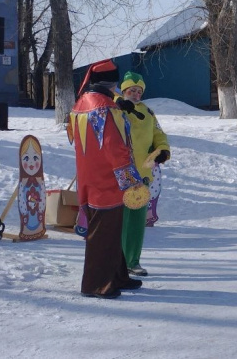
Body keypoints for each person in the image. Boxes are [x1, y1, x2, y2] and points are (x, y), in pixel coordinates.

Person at [68, 60, 149, 299]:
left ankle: (117, 276)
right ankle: (97, 284)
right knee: (103, 234)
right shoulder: (105, 108)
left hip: (90, 176)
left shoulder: (83, 103)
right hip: (108, 180)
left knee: (111, 231)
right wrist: (131, 180)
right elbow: (115, 148)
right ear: (112, 83)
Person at [119, 71, 170, 276]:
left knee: (137, 221)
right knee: (121, 221)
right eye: (132, 90)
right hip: (121, 174)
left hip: (142, 175)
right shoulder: (116, 108)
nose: (135, 94)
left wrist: (163, 149)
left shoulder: (148, 113)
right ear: (124, 91)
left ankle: (133, 260)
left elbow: (159, 134)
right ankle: (117, 261)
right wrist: (117, 104)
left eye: (139, 91)